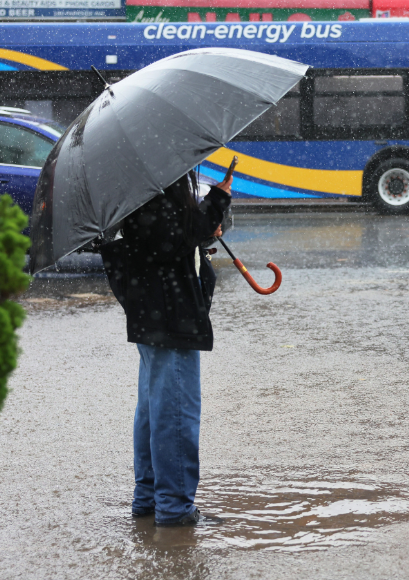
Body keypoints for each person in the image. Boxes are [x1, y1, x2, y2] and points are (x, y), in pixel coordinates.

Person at [102, 170, 232, 526]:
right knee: (175, 412)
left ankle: (150, 500)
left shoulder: (140, 175)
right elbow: (168, 238)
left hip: (157, 312)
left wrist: (205, 223)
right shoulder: (155, 176)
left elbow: (171, 235)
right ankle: (174, 508)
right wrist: (215, 204)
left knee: (155, 407)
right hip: (169, 315)